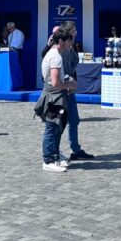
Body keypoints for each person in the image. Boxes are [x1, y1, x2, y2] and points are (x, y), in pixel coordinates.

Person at [34, 28, 77, 172]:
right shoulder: (56, 57)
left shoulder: (55, 54)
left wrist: (67, 80)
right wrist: (69, 84)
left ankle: (55, 156)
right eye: (68, 40)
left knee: (57, 127)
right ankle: (48, 160)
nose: (70, 43)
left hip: (56, 95)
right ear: (61, 42)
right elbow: (55, 82)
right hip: (54, 97)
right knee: (52, 127)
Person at [58, 20, 93, 161]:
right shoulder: (58, 49)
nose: (76, 33)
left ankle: (76, 150)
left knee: (74, 119)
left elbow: (74, 63)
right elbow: (54, 69)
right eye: (73, 31)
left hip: (69, 89)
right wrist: (67, 79)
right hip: (60, 90)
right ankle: (54, 152)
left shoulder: (70, 48)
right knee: (57, 122)